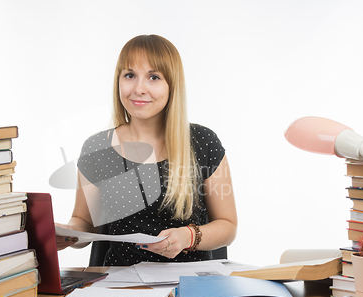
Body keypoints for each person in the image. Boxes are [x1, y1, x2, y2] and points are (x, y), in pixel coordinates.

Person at [56, 34, 237, 266]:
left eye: (153, 77)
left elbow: (228, 225)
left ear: (172, 85)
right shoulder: (96, 149)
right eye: (130, 75)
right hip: (120, 285)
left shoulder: (203, 142)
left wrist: (187, 236)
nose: (139, 89)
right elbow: (83, 221)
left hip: (188, 284)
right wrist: (68, 232)